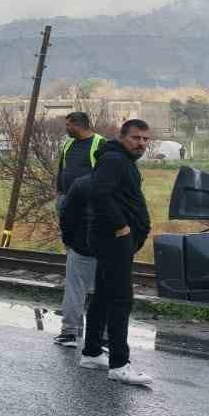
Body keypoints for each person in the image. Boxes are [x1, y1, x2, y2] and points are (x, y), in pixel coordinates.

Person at [80, 118, 154, 387]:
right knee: (122, 299)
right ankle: (120, 364)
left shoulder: (122, 161)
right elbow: (99, 194)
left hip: (111, 238)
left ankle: (92, 352)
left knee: (103, 294)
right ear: (123, 137)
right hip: (113, 238)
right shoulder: (114, 160)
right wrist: (122, 226)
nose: (141, 144)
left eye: (146, 139)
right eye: (136, 138)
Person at [53, 111, 104, 348]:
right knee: (78, 268)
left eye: (68, 125)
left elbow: (104, 178)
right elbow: (62, 171)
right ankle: (78, 329)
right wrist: (60, 195)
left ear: (77, 124)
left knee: (78, 275)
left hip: (88, 212)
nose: (66, 128)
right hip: (68, 206)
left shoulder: (99, 144)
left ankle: (72, 331)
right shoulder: (68, 144)